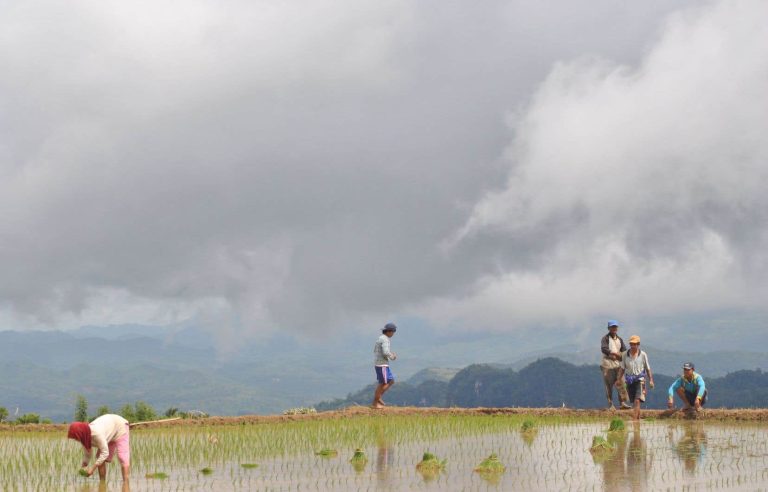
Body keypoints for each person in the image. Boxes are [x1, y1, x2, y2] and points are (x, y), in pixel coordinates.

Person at [67, 413, 130, 481]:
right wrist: (83, 467)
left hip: (120, 426)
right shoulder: (84, 437)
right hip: (109, 430)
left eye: (76, 437)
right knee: (100, 458)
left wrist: (92, 469)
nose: (76, 440)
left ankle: (126, 483)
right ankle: (102, 482)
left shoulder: (96, 434)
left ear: (80, 434)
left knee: (122, 457)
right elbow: (87, 454)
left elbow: (105, 453)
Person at [616, 335, 654, 420]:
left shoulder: (643, 355)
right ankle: (638, 419)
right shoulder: (625, 354)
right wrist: (618, 379)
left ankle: (634, 420)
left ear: (638, 344)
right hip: (629, 380)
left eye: (635, 344)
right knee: (633, 401)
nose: (633, 346)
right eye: (631, 344)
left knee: (637, 400)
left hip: (640, 380)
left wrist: (651, 380)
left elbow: (647, 368)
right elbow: (622, 368)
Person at [600, 320, 630, 410]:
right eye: (612, 327)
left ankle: (622, 403)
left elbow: (624, 351)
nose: (614, 329)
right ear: (609, 328)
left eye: (615, 327)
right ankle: (610, 404)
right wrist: (614, 353)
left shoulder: (619, 339)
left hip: (617, 364)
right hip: (607, 364)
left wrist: (622, 356)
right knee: (608, 385)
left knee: (621, 382)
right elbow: (604, 349)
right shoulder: (605, 338)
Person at [372, 322, 398, 409]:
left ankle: (378, 398)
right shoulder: (385, 339)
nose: (393, 334)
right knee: (385, 382)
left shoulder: (380, 338)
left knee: (389, 381)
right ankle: (375, 402)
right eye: (393, 332)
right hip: (382, 364)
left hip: (380, 364)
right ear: (389, 331)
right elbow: (385, 352)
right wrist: (392, 356)